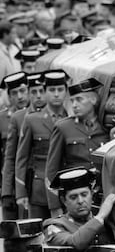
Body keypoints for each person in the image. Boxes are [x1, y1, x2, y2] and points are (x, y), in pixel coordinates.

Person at [46, 78, 109, 217]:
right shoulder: (63, 127)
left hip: (101, 197)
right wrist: (55, 206)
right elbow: (51, 171)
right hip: (74, 200)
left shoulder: (106, 128)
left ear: (93, 100)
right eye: (72, 101)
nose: (74, 105)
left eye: (79, 100)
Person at [15, 70, 69, 219]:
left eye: (60, 90)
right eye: (52, 90)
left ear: (66, 92)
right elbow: (21, 159)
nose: (56, 94)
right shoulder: (32, 120)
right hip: (39, 192)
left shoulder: (72, 119)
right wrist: (21, 192)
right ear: (45, 93)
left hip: (67, 188)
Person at [1, 72, 45, 220]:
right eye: (14, 93)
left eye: (22, 91)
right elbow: (10, 158)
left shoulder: (54, 114)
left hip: (39, 182)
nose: (20, 97)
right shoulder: (17, 118)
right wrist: (7, 192)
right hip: (21, 181)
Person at [43, 167, 115, 250]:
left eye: (84, 195)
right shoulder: (55, 225)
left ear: (92, 195)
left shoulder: (107, 223)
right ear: (64, 201)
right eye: (73, 197)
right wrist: (100, 216)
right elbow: (73, 244)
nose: (80, 201)